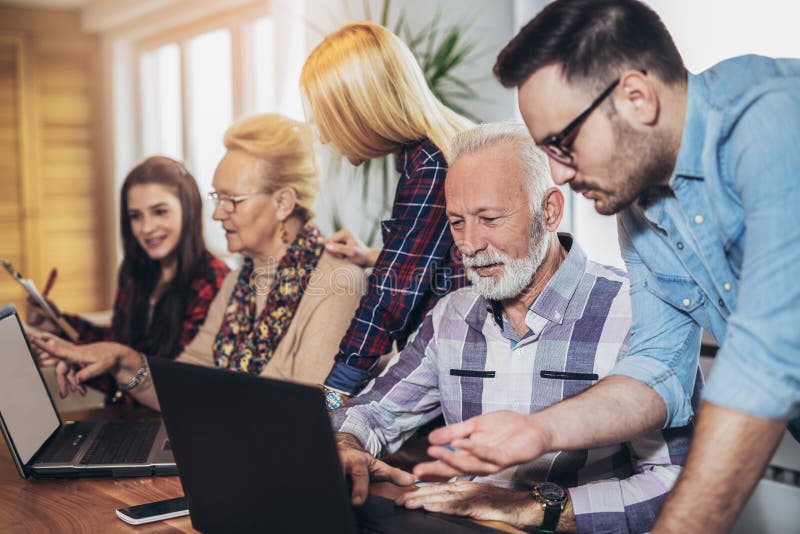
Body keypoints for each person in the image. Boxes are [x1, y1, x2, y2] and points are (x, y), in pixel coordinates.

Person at [414, 1, 800, 532]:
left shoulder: (775, 124)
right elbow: (655, 368)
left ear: (636, 98)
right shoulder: (641, 204)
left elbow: (766, 362)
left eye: (562, 143)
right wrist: (541, 432)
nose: (557, 173)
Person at [332, 123, 699, 533]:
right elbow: (372, 410)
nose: (469, 244)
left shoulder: (636, 314)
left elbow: (681, 484)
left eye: (489, 219)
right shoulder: (450, 315)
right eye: (456, 222)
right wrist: (348, 444)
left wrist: (533, 508)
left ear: (550, 211)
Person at [33, 114, 366, 410]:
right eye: (217, 198)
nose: (218, 213)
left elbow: (308, 414)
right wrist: (122, 360)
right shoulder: (239, 283)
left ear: (282, 203)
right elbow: (186, 383)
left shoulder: (338, 285)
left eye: (231, 200)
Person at [299, 21, 475, 408]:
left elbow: (390, 297)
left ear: (361, 110)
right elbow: (439, 263)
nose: (325, 135)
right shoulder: (429, 155)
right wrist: (373, 257)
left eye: (328, 116)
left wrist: (334, 392)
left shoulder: (432, 166)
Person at [26, 156, 229, 403]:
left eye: (159, 212)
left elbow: (178, 385)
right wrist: (59, 325)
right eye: (136, 216)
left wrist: (82, 357)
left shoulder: (214, 282)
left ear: (189, 210)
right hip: (126, 413)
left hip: (169, 421)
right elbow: (119, 342)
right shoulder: (134, 271)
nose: (146, 228)